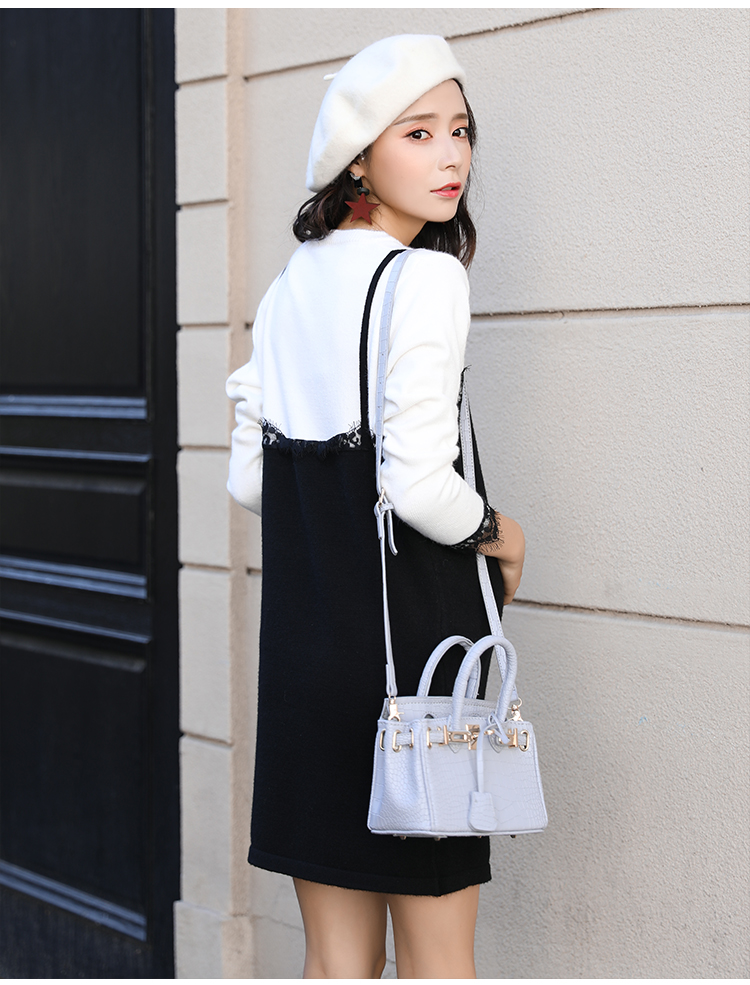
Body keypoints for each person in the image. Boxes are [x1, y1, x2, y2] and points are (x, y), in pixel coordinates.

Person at [226, 34, 525, 979]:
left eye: (461, 131)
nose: (451, 156)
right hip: (413, 673)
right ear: (359, 157)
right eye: (419, 133)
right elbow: (418, 484)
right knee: (439, 963)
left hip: (305, 669)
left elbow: (250, 481)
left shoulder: (287, 290)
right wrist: (503, 536)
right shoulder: (426, 278)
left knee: (333, 961)